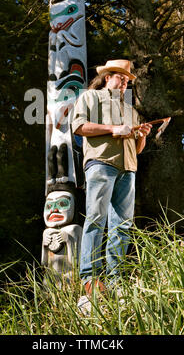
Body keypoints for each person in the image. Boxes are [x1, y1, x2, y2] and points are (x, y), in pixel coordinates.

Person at [71, 59, 152, 300]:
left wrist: (142, 135)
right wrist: (112, 129)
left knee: (123, 225)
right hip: (101, 163)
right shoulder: (90, 98)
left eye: (127, 80)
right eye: (121, 78)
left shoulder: (130, 110)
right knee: (96, 219)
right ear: (108, 78)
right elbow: (79, 127)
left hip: (128, 169)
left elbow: (137, 149)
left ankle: (116, 281)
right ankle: (90, 278)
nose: (124, 83)